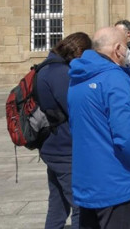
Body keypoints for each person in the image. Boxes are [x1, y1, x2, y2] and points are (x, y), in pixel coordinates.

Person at [67, 26, 130, 229]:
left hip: (87, 180)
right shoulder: (115, 79)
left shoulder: (77, 78)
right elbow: (129, 137)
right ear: (117, 49)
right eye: (126, 47)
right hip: (116, 184)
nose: (127, 52)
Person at [36, 32, 92, 229]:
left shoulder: (47, 67)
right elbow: (73, 108)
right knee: (80, 207)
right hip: (63, 148)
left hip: (53, 145)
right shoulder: (59, 73)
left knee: (58, 204)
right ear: (79, 52)